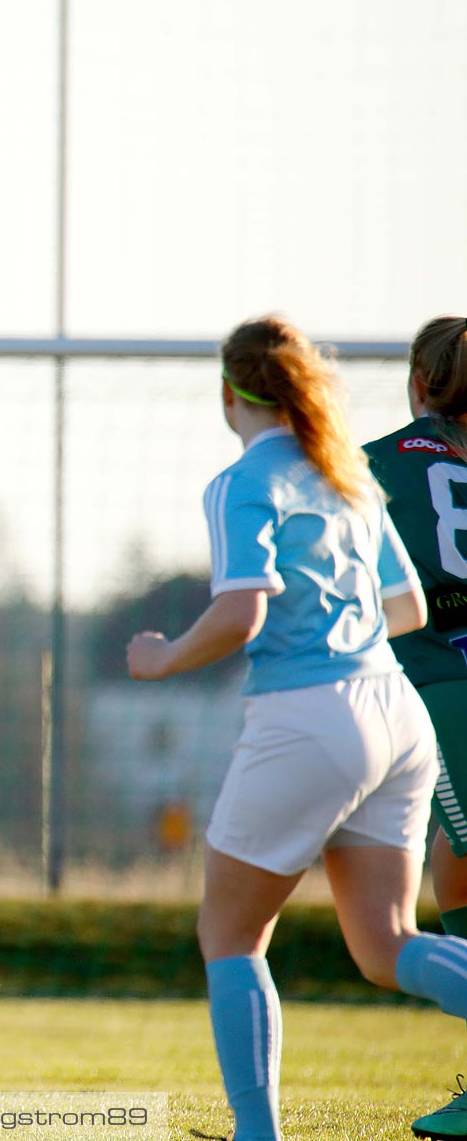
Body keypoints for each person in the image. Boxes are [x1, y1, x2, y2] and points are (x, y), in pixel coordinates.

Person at [127, 316, 467, 1141]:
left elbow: (242, 611)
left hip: (310, 715)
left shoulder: (246, 479)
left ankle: (257, 1135)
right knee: (389, 947)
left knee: (230, 935)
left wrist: (163, 658)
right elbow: (408, 607)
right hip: (396, 714)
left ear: (228, 392)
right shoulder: (347, 475)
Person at [363, 315, 467, 1138]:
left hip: (445, 684)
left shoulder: (376, 465)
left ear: (419, 385)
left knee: (461, 873)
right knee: (452, 868)